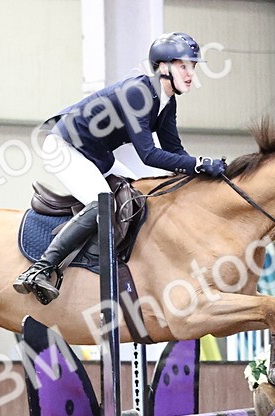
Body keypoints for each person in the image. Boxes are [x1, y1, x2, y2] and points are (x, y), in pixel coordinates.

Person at [13, 32, 226, 304]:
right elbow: (149, 154)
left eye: (193, 67)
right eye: (183, 66)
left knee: (141, 196)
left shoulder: (167, 101)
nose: (190, 74)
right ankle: (40, 269)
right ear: (163, 67)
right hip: (65, 147)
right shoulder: (138, 93)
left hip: (97, 154)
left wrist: (202, 172)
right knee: (100, 202)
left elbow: (175, 152)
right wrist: (197, 164)